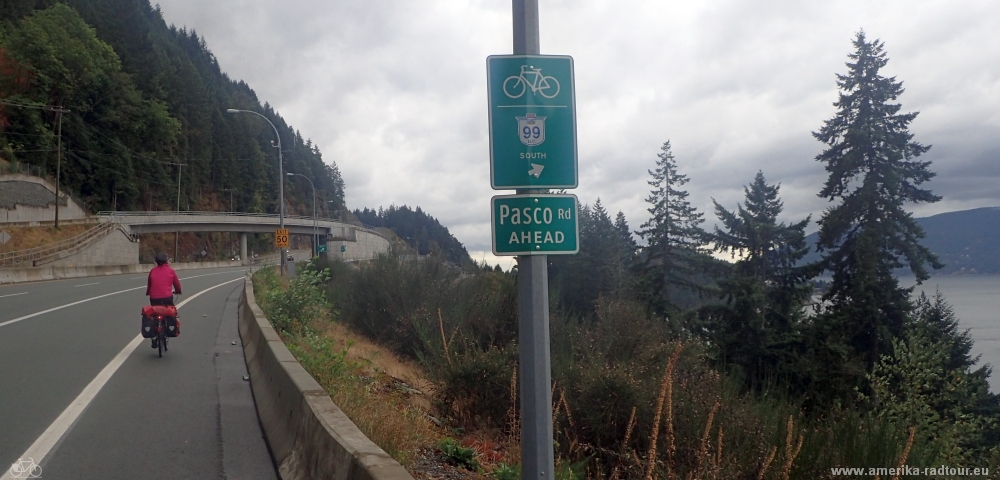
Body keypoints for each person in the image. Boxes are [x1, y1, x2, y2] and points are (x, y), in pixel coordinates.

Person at [146, 252, 181, 348]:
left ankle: (153, 338)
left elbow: (150, 285)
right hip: (167, 298)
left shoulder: (153, 271)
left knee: (153, 315)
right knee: (171, 311)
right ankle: (168, 330)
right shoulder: (171, 271)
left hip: (154, 298)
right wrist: (178, 291)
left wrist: (149, 292)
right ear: (166, 261)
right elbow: (177, 285)